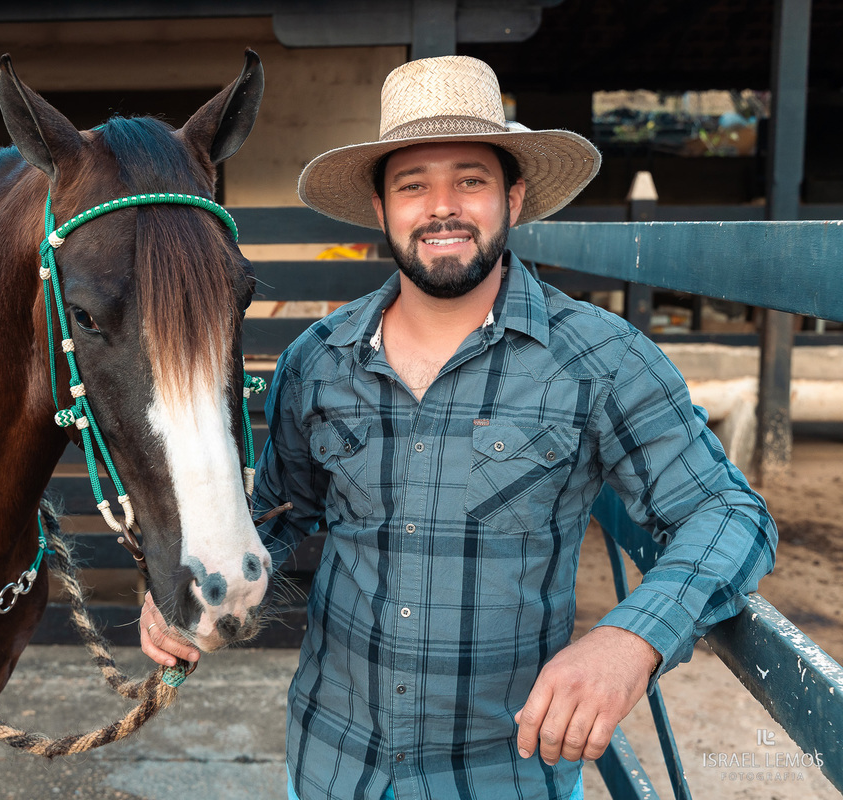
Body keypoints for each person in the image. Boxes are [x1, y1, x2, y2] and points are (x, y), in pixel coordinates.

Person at [139, 56, 777, 800]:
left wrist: (632, 638)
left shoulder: (601, 358)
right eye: (413, 185)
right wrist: (197, 585)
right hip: (332, 761)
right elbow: (278, 515)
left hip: (504, 771)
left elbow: (728, 513)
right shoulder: (316, 361)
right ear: (382, 208)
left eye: (470, 180)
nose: (442, 206)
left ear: (512, 196)